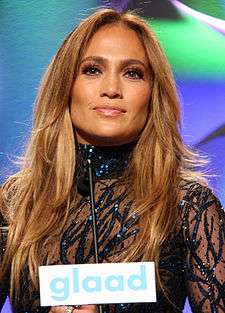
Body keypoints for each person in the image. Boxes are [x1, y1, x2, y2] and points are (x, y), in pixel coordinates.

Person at [0, 8, 224, 313]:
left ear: (152, 95)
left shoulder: (188, 207)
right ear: (65, 85)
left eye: (132, 73)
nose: (111, 89)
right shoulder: (16, 204)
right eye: (92, 69)